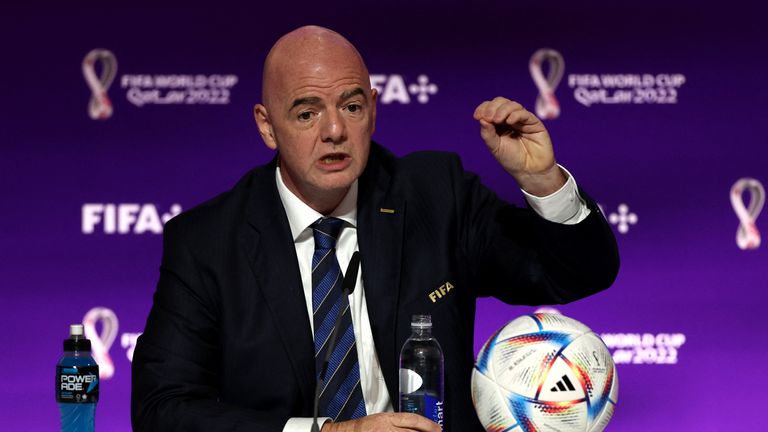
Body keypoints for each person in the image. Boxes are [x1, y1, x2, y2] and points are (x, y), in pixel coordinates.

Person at [131, 26, 618, 432]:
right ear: (266, 125)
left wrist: (543, 182)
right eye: (306, 113)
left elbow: (575, 274)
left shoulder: (435, 195)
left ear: (374, 108)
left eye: (351, 105)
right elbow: (163, 409)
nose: (335, 131)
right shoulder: (208, 242)